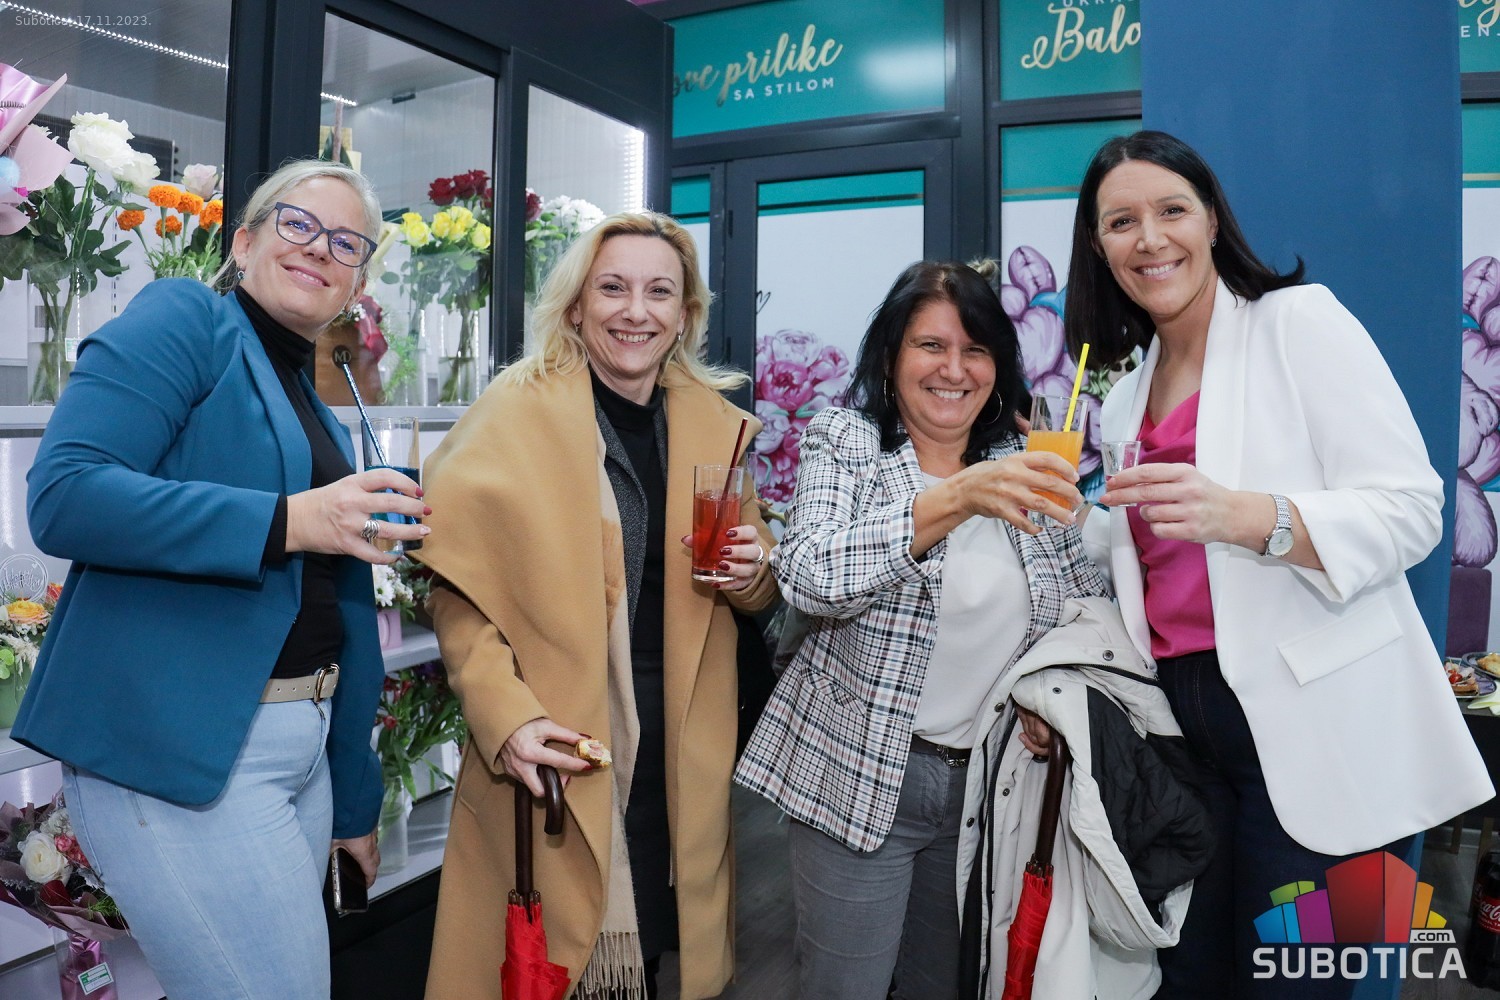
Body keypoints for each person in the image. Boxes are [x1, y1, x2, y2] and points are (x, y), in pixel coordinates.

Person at [1067, 129, 1493, 997]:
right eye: (1121, 222)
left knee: (1294, 981)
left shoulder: (1298, 323)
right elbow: (1151, 565)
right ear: (1100, 247)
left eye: (1171, 210)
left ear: (1211, 220)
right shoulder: (1123, 397)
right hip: (1182, 731)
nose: (1149, 238)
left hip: (1319, 728)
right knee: (1190, 979)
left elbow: (1413, 511)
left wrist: (1251, 516)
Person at [15, 159, 426, 999]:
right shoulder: (188, 318)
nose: (319, 247)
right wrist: (288, 521)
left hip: (301, 753)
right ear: (243, 243)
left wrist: (355, 797)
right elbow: (65, 495)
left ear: (357, 284)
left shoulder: (313, 399)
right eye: (297, 224)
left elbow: (342, 603)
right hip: (185, 754)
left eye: (346, 242)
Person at [419, 211, 778, 1000]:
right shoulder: (516, 412)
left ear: (685, 315)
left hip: (679, 746)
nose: (635, 311)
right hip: (558, 735)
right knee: (554, 958)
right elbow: (457, 592)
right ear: (577, 306)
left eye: (660, 292)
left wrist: (754, 570)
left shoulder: (713, 425)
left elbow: (755, 587)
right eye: (612, 288)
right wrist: (506, 716)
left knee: (650, 949)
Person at [735, 260, 1108, 1000]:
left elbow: (1082, 607)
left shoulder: (1023, 463)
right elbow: (809, 576)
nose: (954, 369)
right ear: (891, 356)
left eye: (975, 350)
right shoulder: (848, 441)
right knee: (846, 987)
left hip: (991, 781)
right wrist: (957, 498)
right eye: (930, 346)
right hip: (859, 770)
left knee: (945, 984)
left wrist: (1052, 695)